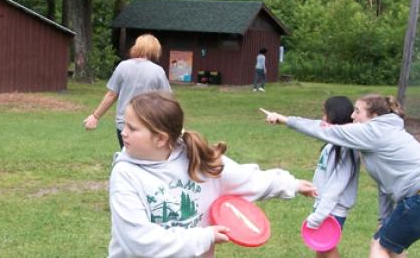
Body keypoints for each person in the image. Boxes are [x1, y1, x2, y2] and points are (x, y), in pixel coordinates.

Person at [107, 91, 317, 258]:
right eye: (124, 124)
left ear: (160, 139)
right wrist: (204, 237)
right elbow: (138, 241)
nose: (123, 132)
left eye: (132, 128)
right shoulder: (125, 174)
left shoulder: (197, 159)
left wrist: (291, 184)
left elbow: (247, 179)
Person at [261, 94, 420, 258]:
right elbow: (385, 187)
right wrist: (384, 219)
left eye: (357, 111)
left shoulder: (372, 132)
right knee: (392, 245)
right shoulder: (379, 135)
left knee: (380, 246)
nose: (352, 116)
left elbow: (325, 131)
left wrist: (285, 119)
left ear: (373, 115)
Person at [83, 34, 171, 148]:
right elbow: (167, 100)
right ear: (154, 50)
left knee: (128, 158)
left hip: (124, 125)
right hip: (148, 125)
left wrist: (95, 116)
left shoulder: (122, 66)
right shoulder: (158, 71)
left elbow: (111, 95)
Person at [304, 96, 360, 258]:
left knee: (327, 248)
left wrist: (320, 215)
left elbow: (337, 186)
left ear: (334, 115)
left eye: (325, 113)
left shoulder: (346, 148)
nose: (323, 118)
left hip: (332, 209)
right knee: (321, 248)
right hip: (324, 206)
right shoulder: (333, 143)